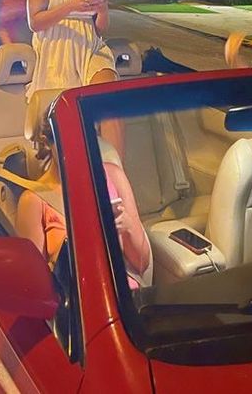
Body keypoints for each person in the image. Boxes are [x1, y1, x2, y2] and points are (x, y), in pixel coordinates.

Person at [15, 115, 152, 288]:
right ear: (48, 143)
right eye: (66, 140)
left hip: (124, 297)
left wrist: (128, 226)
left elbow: (142, 264)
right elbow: (34, 285)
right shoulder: (33, 201)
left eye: (82, 139)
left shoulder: (113, 176)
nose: (75, 148)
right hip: (78, 305)